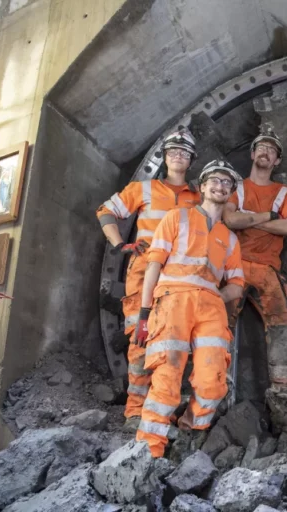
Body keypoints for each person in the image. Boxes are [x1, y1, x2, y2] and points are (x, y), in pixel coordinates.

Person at [133, 160, 244, 457]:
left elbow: (237, 284)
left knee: (213, 381)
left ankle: (189, 435)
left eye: (226, 183)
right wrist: (144, 314)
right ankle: (149, 451)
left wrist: (214, 295)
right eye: (215, 181)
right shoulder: (176, 218)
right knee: (167, 375)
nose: (220, 186)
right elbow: (154, 264)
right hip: (173, 301)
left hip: (211, 307)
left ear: (230, 193)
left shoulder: (229, 239)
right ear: (203, 186)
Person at [96, 129, 200, 430]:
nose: (178, 155)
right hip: (143, 274)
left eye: (184, 152)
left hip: (179, 276)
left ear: (191, 160)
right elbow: (106, 211)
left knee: (178, 341)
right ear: (166, 158)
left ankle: (165, 409)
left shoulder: (197, 196)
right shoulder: (143, 189)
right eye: (173, 151)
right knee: (140, 338)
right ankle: (135, 411)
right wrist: (120, 245)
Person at [223, 129, 287, 433]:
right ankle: (213, 396)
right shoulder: (238, 188)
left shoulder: (283, 192)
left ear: (277, 160)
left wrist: (251, 217)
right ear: (252, 153)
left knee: (282, 331)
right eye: (261, 147)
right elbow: (230, 220)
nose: (266, 152)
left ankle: (282, 403)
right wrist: (268, 216)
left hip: (268, 271)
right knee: (219, 326)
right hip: (235, 266)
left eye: (272, 150)